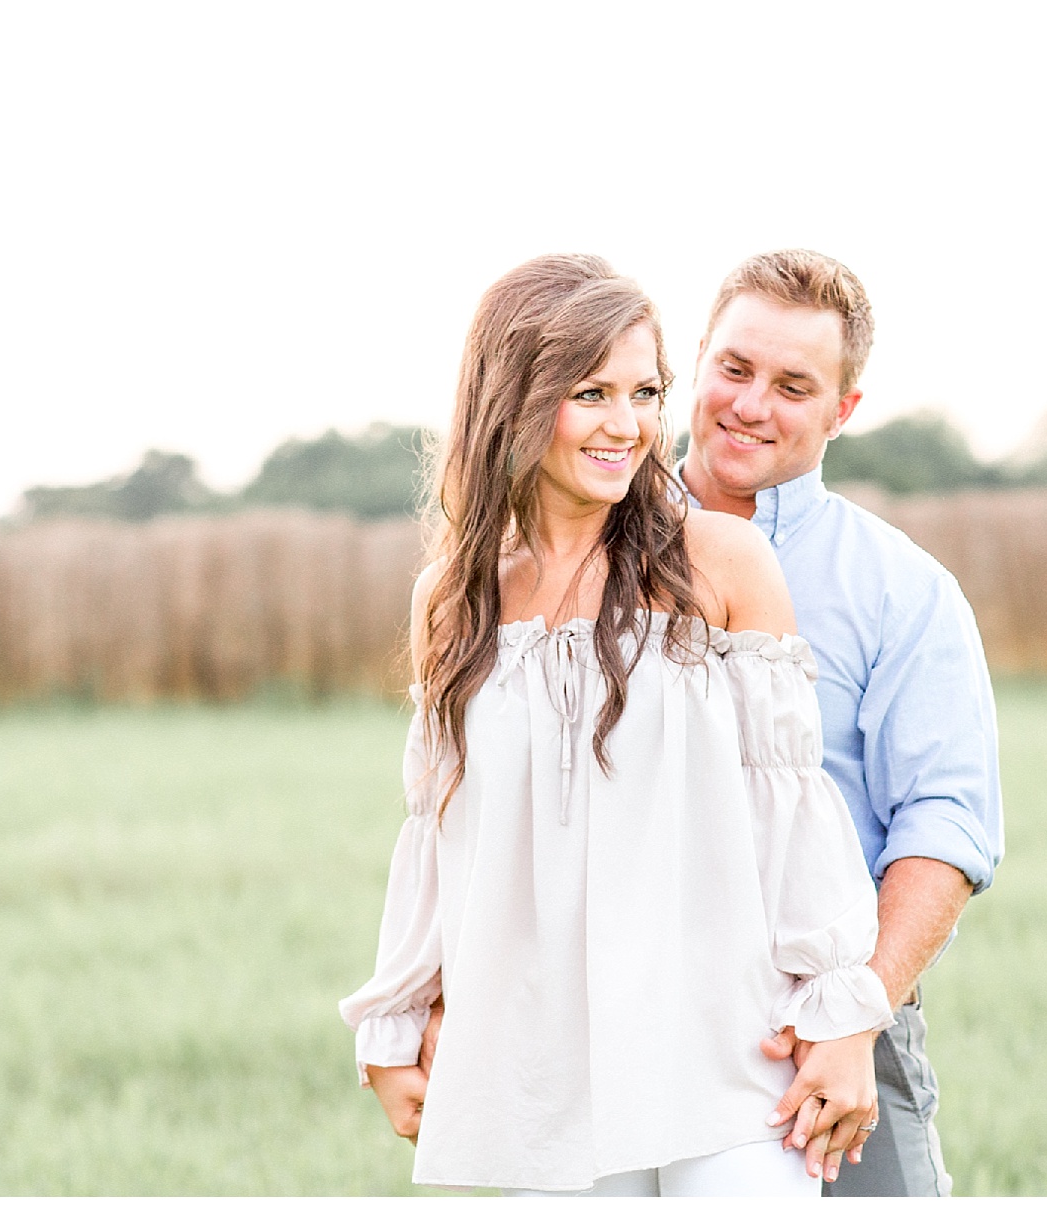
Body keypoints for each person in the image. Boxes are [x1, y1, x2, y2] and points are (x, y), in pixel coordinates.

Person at [338, 254, 894, 1195]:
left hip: (732, 1056)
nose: (627, 424)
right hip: (542, 1073)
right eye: (590, 392)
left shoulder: (719, 562)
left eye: (645, 391)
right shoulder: (458, 601)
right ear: (513, 399)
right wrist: (394, 1022)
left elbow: (792, 812)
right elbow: (438, 838)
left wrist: (845, 1018)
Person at [678, 250, 1005, 1197]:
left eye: (793, 385)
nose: (750, 404)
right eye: (735, 369)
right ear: (698, 359)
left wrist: (855, 1014)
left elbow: (946, 819)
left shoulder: (904, 590)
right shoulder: (594, 555)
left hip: (842, 1025)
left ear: (843, 409)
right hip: (639, 1010)